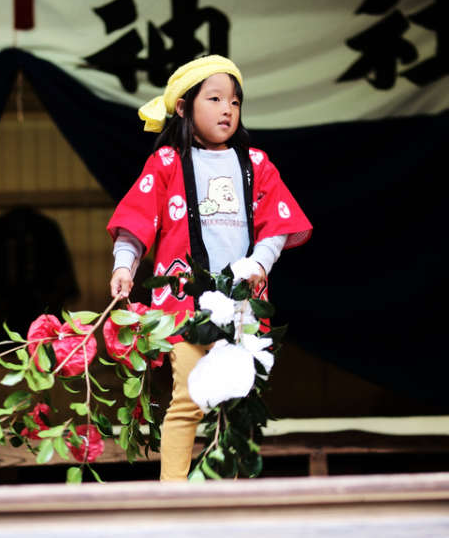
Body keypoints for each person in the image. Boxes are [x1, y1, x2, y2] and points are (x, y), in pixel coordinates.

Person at [107, 55, 312, 481]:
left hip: (240, 307)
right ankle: (173, 496)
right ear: (183, 107)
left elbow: (277, 223)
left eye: (234, 102)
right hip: (183, 304)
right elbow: (136, 221)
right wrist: (123, 266)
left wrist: (259, 262)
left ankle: (231, 495)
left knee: (236, 406)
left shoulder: (256, 163)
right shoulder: (166, 163)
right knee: (186, 399)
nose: (227, 110)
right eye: (215, 98)